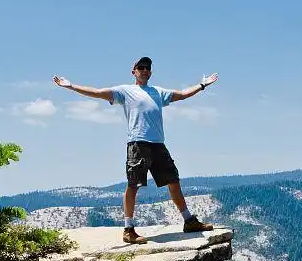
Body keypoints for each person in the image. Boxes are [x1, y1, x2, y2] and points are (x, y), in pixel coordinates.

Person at [53, 56, 218, 244]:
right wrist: (71, 86)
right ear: (134, 71)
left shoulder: (158, 92)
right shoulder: (125, 91)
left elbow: (181, 94)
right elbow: (98, 92)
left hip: (158, 144)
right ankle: (128, 229)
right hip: (137, 143)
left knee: (173, 180)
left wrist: (202, 85)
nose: (145, 70)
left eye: (148, 68)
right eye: (141, 67)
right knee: (133, 184)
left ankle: (189, 221)